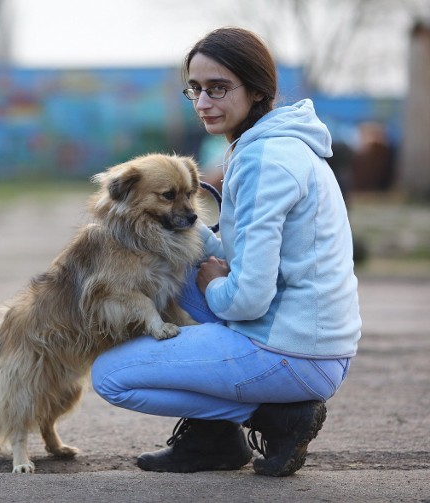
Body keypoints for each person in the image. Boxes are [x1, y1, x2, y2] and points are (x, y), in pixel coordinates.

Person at [91, 27, 361, 477]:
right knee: (173, 268)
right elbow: (236, 253)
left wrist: (214, 285)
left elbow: (249, 297)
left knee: (111, 377)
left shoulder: (264, 161)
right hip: (314, 340)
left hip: (292, 351)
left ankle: (276, 417)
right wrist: (164, 224)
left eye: (218, 89)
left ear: (257, 91)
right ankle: (214, 441)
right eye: (194, 89)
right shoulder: (272, 145)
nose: (202, 103)